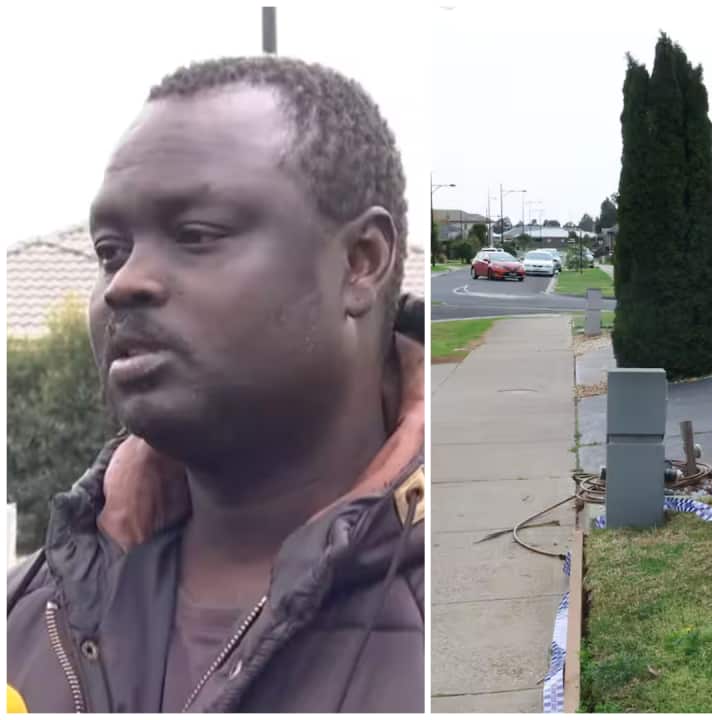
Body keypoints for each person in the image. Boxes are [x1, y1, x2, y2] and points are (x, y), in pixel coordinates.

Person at [7, 56, 425, 713]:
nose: (124, 282)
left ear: (359, 263)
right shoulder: (26, 617)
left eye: (194, 236)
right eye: (110, 251)